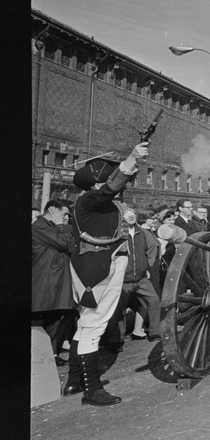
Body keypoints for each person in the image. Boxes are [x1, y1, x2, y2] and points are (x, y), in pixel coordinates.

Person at [65, 142, 149, 405]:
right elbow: (111, 187)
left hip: (99, 266)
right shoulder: (91, 200)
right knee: (94, 325)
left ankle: (74, 381)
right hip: (99, 270)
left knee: (86, 323)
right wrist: (132, 158)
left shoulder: (96, 203)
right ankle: (92, 390)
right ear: (96, 184)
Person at [31, 199, 77, 364]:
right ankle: (39, 359)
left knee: (54, 322)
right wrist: (61, 224)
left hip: (56, 287)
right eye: (64, 214)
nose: (66, 218)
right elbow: (64, 242)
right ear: (51, 209)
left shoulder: (57, 228)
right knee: (39, 325)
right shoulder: (39, 227)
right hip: (43, 286)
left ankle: (50, 357)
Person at [108, 206, 161, 343]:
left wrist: (146, 266)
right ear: (121, 216)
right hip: (123, 278)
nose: (131, 215)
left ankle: (155, 332)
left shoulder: (141, 233)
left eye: (133, 213)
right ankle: (116, 341)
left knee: (154, 300)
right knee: (119, 310)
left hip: (141, 277)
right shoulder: (116, 232)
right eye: (126, 213)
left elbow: (151, 247)